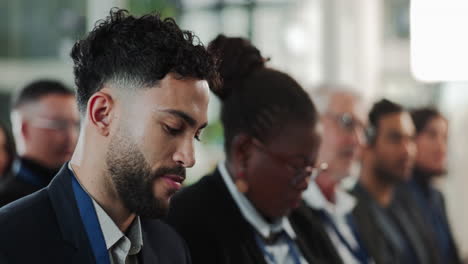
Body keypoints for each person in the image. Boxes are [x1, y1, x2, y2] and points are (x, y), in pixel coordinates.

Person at [0, 8, 218, 264]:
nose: (189, 157)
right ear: (102, 114)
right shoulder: (9, 243)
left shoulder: (171, 249)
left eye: (197, 135)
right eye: (172, 127)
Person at [167, 34, 324, 264]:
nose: (305, 183)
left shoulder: (302, 220)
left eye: (312, 168)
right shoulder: (184, 227)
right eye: (297, 166)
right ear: (244, 153)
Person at [351, 99, 437, 264]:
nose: (408, 150)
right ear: (367, 143)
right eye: (395, 138)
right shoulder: (351, 212)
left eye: (411, 139)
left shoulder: (409, 203)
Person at [291, 87, 371, 264]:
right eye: (347, 122)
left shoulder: (357, 208)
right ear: (311, 123)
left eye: (363, 129)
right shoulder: (288, 209)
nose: (358, 140)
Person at [395, 107, 462, 264]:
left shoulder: (436, 197)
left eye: (444, 138)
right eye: (432, 135)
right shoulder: (395, 195)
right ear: (410, 139)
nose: (441, 147)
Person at [0, 80, 79, 206]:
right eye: (58, 124)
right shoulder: (7, 203)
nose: (72, 136)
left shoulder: (79, 192)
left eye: (75, 125)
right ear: (24, 129)